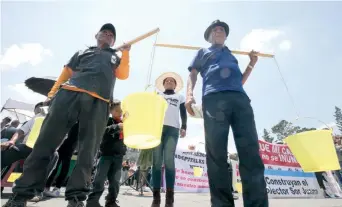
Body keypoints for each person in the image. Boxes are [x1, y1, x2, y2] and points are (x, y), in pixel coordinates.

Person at [3, 23, 131, 207]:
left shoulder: (115, 57)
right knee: (44, 144)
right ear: (97, 35)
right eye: (104, 32)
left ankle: (76, 199)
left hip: (99, 101)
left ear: (114, 41)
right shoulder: (81, 53)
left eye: (111, 34)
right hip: (68, 94)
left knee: (88, 152)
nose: (108, 35)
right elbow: (65, 74)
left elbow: (123, 74)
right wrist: (51, 96)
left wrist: (126, 53)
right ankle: (21, 195)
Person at [185, 20, 268, 207]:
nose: (218, 30)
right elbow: (192, 74)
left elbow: (239, 80)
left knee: (251, 153)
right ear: (210, 36)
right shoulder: (202, 52)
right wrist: (189, 95)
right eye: (215, 29)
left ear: (225, 35)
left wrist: (252, 64)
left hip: (240, 100)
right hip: (214, 100)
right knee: (216, 154)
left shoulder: (231, 55)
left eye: (221, 29)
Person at [151, 72, 187, 207]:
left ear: (175, 85)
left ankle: (169, 199)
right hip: (157, 129)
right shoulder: (157, 96)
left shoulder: (180, 97)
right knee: (156, 162)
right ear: (164, 84)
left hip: (172, 130)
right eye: (167, 81)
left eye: (172, 81)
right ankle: (156, 198)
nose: (170, 82)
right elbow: (150, 110)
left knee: (169, 161)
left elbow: (183, 113)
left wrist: (184, 127)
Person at [86, 100, 126, 207]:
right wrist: (117, 127)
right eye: (117, 110)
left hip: (118, 156)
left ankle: (111, 201)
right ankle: (92, 201)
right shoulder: (107, 121)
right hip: (106, 155)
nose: (119, 112)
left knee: (115, 182)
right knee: (99, 179)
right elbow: (102, 131)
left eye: (121, 110)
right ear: (110, 111)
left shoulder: (125, 123)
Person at [44, 122, 79, 197]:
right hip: (67, 147)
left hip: (65, 146)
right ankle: (54, 187)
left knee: (57, 167)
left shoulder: (74, 122)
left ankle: (50, 187)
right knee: (59, 168)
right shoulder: (78, 123)